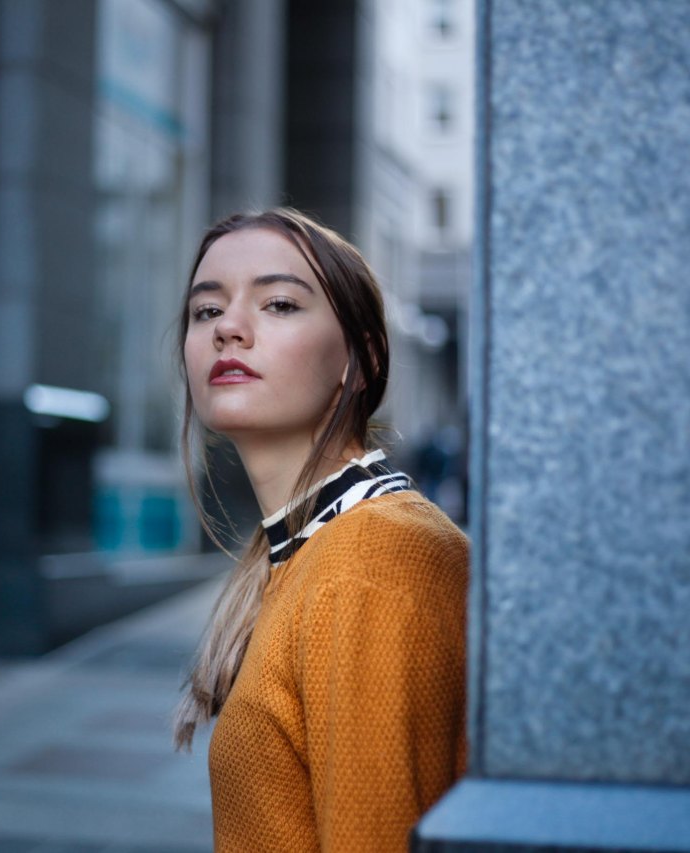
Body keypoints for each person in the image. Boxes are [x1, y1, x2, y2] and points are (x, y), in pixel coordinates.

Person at [172, 208, 469, 852]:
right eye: (206, 311)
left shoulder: (375, 557)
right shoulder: (315, 546)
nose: (230, 329)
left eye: (278, 304)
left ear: (359, 357)